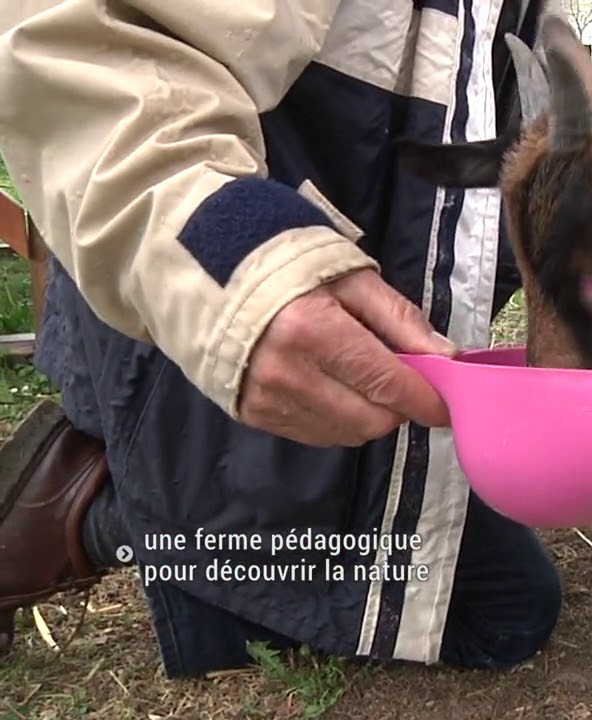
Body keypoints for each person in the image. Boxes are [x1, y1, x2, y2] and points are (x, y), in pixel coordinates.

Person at [0, 0, 563, 677]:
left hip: (341, 284)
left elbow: (541, 56)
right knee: (496, 616)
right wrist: (233, 256)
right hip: (214, 285)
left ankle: (141, 464)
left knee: (506, 603)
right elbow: (83, 52)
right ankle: (93, 514)